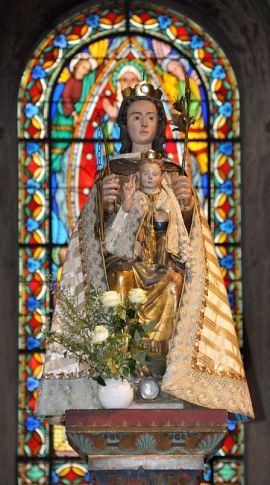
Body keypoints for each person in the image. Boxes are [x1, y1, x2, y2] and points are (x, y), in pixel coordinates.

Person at [36, 81, 254, 419]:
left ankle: (165, 376)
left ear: (159, 124)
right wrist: (103, 202)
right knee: (119, 280)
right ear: (124, 124)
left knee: (174, 284)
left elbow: (189, 236)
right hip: (123, 260)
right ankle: (121, 370)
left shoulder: (173, 170)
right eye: (135, 117)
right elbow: (94, 237)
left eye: (150, 117)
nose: (142, 124)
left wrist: (186, 205)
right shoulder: (112, 170)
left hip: (163, 261)